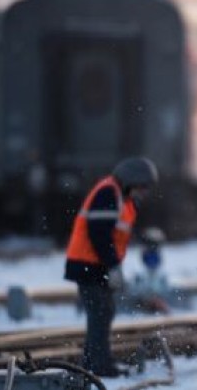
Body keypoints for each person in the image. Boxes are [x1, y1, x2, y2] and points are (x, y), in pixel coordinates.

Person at [64, 157, 158, 377]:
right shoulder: (108, 193)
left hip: (96, 265)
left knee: (104, 311)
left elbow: (116, 231)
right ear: (130, 181)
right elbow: (100, 235)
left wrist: (141, 240)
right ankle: (98, 365)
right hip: (88, 265)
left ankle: (94, 361)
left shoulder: (120, 197)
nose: (143, 192)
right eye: (142, 186)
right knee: (100, 312)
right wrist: (113, 266)